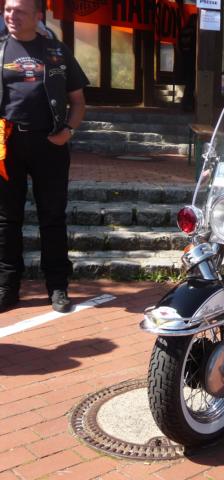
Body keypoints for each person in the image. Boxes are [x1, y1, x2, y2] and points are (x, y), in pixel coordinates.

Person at [0, 0, 89, 313]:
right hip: (6, 144)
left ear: (38, 16)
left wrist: (68, 131)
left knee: (52, 217)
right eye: (7, 9)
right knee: (6, 219)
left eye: (19, 11)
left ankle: (58, 287)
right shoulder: (0, 49)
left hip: (49, 143)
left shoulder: (57, 52)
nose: (11, 15)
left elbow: (78, 100)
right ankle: (7, 287)